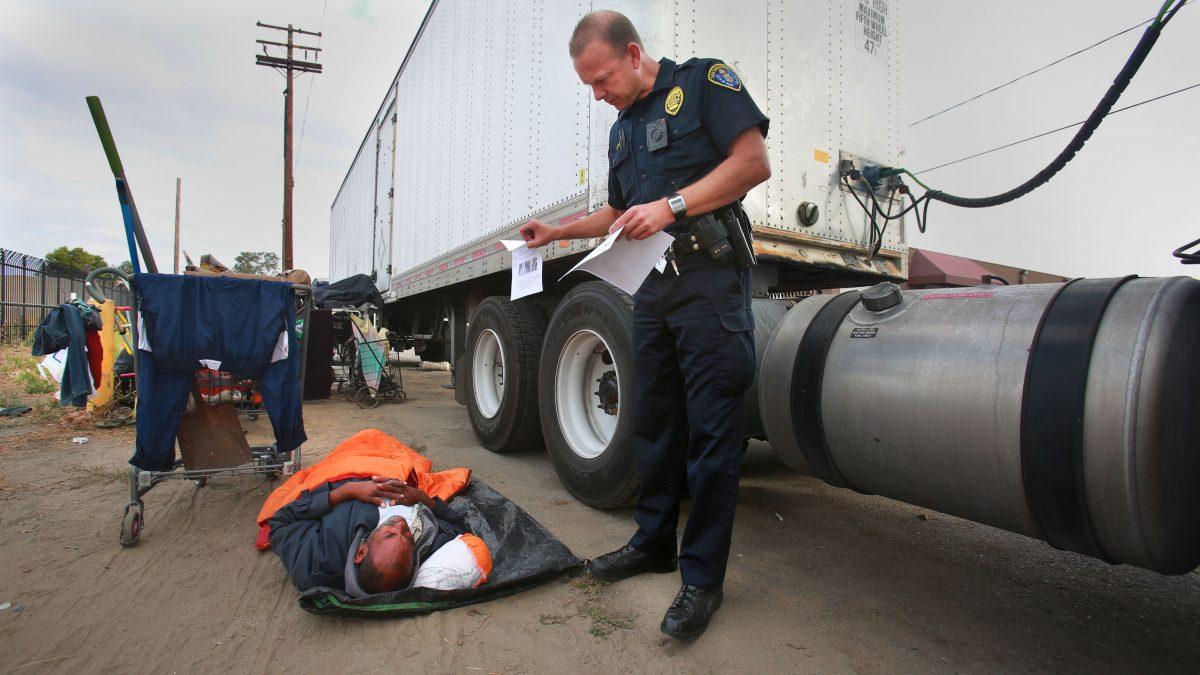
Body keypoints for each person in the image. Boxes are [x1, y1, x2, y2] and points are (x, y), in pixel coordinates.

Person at [519, 10, 770, 641]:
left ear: (633, 54)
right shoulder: (623, 131)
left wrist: (673, 205)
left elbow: (753, 161)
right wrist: (556, 233)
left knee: (713, 434)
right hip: (654, 291)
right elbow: (614, 208)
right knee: (654, 421)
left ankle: (702, 578)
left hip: (710, 284)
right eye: (589, 88)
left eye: (601, 80)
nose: (597, 95)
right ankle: (653, 541)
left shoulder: (705, 82)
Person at [268, 475, 484, 596]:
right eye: (408, 535)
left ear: (361, 552)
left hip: (349, 476)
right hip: (404, 482)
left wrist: (347, 491)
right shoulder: (430, 547)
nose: (400, 524)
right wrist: (420, 496)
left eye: (390, 534)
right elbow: (462, 526)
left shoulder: (318, 563)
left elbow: (279, 523)